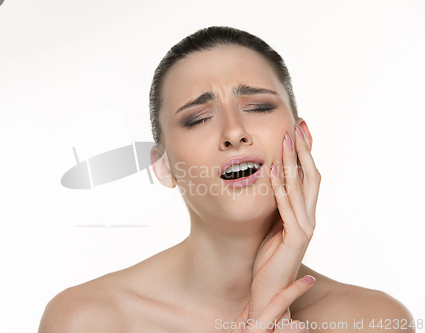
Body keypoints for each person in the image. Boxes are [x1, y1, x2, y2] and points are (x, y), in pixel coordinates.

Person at [38, 26, 414, 332]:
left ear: (303, 138)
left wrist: (270, 302)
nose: (234, 131)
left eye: (259, 107)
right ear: (163, 165)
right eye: (198, 118)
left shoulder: (375, 321)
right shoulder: (89, 320)